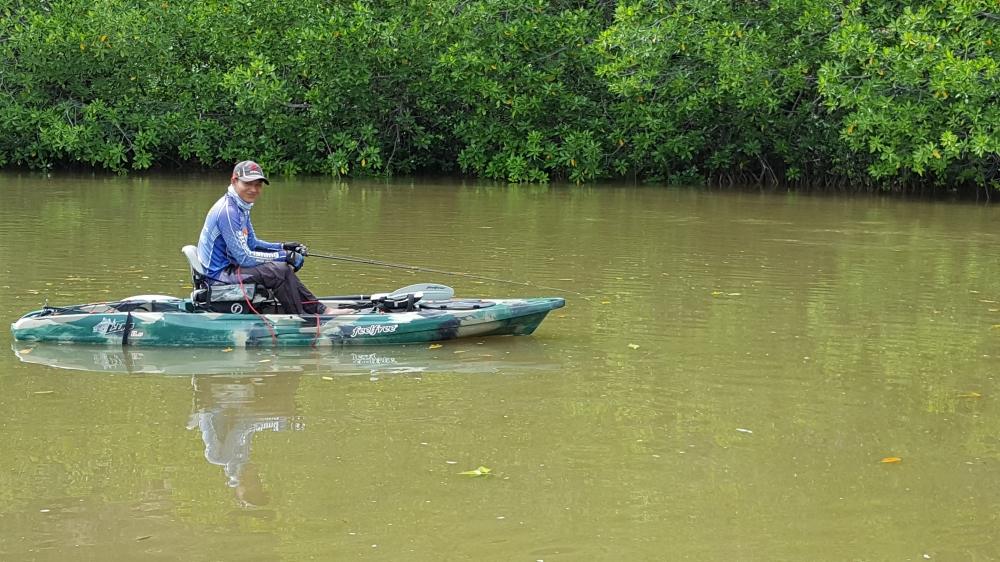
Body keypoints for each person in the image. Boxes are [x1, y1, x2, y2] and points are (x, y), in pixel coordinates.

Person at [196, 160, 331, 315]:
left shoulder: (240, 206)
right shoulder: (229, 212)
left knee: (281, 269)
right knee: (279, 271)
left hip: (229, 268)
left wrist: (284, 247)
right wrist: (284, 257)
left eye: (258, 184)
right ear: (234, 181)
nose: (254, 189)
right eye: (248, 183)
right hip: (218, 277)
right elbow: (244, 258)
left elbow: (252, 243)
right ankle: (303, 320)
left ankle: (318, 309)